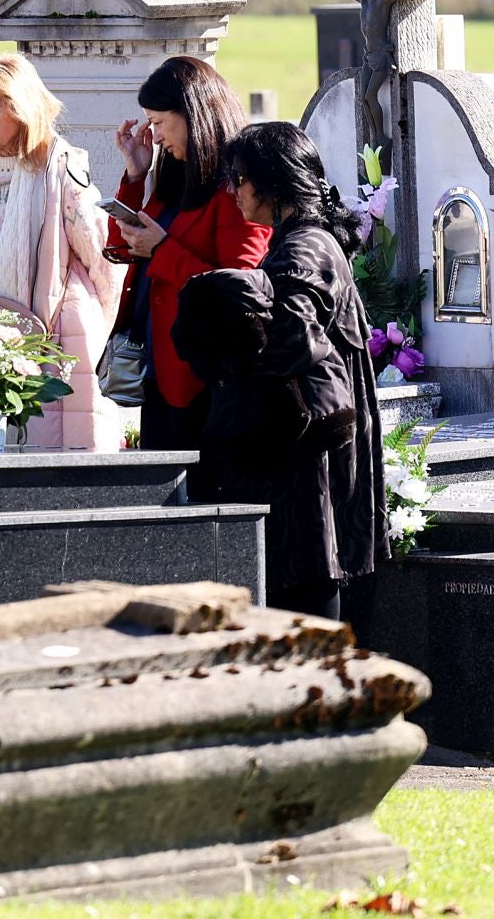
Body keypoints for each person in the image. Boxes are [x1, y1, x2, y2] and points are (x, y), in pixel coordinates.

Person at [173, 120, 388, 620]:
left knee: (307, 573)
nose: (234, 191)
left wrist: (227, 327)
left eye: (242, 179)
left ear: (274, 181)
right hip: (303, 439)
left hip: (305, 441)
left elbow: (291, 341)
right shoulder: (297, 240)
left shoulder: (303, 247)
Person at [0, 54, 120, 451]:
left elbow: (101, 260)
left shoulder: (61, 169)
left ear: (20, 109)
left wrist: (90, 330)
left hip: (55, 336)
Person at [108, 56, 271, 452]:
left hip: (204, 375)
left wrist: (163, 250)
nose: (156, 135)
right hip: (159, 366)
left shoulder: (238, 187)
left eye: (160, 122)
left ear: (193, 114)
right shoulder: (177, 174)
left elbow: (240, 286)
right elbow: (120, 245)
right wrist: (134, 176)